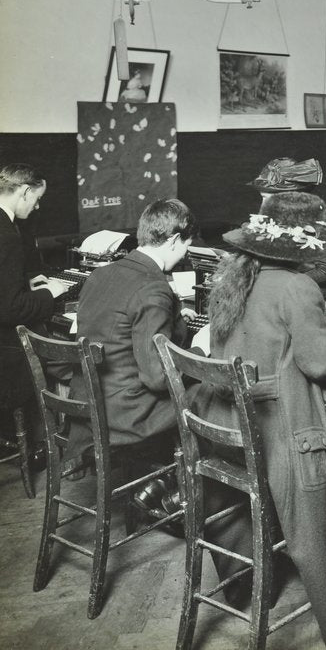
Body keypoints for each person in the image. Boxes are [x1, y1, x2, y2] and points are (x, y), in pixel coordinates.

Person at [195, 192, 326, 647]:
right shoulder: (298, 287)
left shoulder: (235, 275)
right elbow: (318, 364)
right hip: (280, 434)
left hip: (228, 429)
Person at [67, 198, 199, 507]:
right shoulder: (154, 288)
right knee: (211, 398)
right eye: (186, 247)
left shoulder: (100, 275)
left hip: (88, 405)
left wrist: (175, 319)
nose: (184, 255)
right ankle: (178, 489)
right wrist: (199, 348)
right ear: (175, 239)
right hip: (125, 416)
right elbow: (156, 378)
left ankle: (160, 481)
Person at [0, 164, 70, 459]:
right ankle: (57, 443)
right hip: (5, 361)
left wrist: (22, 282)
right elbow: (11, 309)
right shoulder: (7, 234)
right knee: (61, 358)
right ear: (25, 192)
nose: (38, 206)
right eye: (37, 198)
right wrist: (49, 293)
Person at [249, 157, 326, 295]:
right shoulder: (269, 221)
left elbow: (324, 271)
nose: (263, 205)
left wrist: (287, 284)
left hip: (304, 292)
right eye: (262, 198)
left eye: (267, 199)